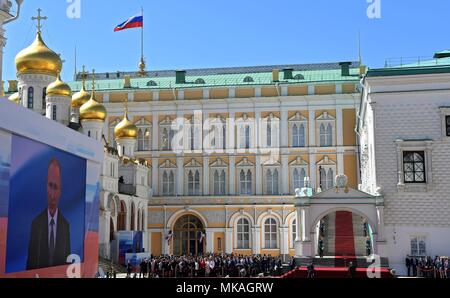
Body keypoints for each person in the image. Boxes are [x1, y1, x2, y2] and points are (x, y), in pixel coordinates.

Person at [26, 158, 71, 270]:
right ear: (45, 185)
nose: (52, 194)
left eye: (55, 187)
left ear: (60, 190)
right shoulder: (36, 224)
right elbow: (30, 265)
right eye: (50, 185)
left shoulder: (65, 226)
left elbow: (67, 264)